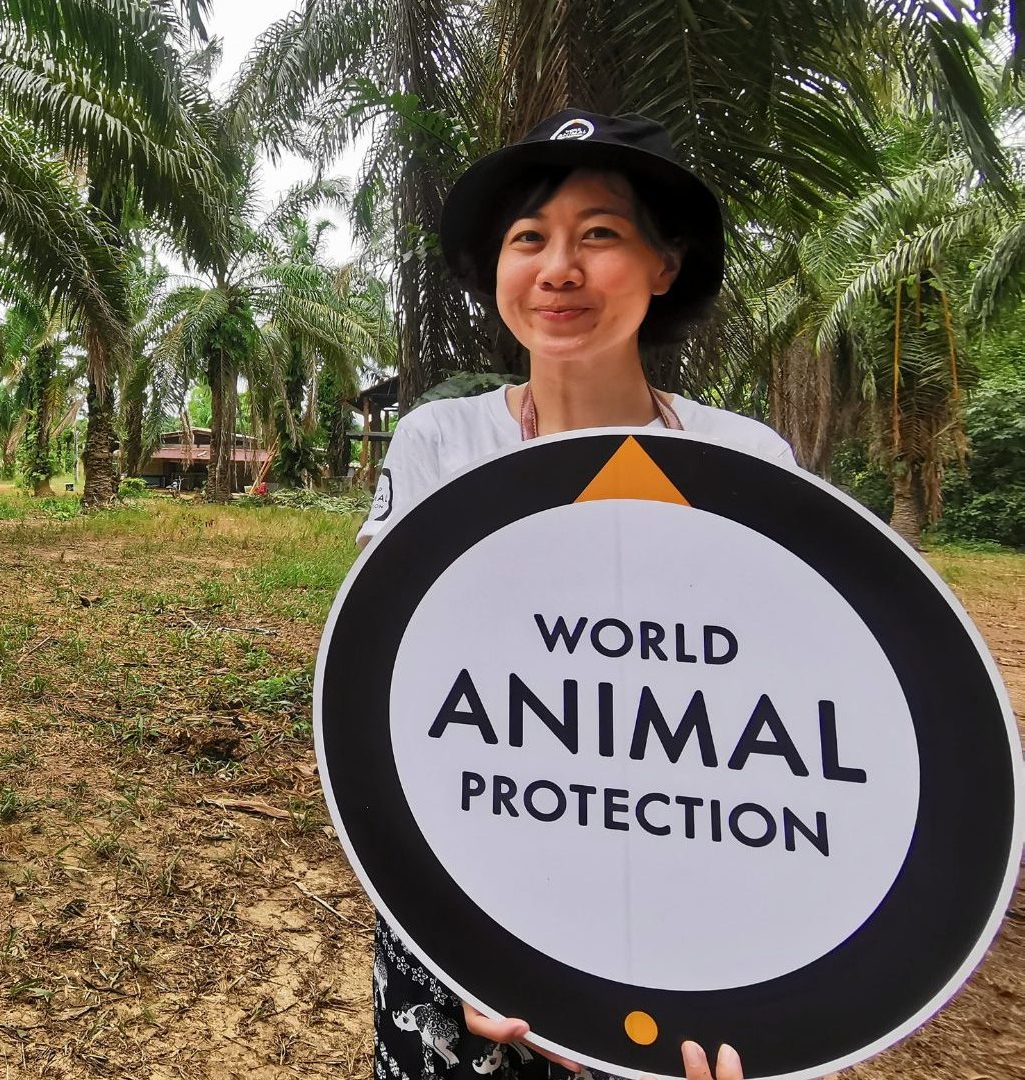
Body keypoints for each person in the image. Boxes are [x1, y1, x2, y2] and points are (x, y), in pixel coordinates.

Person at [356, 110, 794, 1080]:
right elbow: (400, 695)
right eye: (529, 238)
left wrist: (739, 973)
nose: (559, 269)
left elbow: (774, 718)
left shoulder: (746, 461)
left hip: (680, 921)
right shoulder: (442, 445)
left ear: (665, 264)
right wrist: (461, 938)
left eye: (599, 233)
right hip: (461, 914)